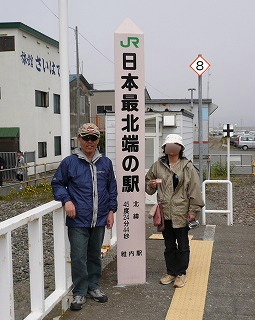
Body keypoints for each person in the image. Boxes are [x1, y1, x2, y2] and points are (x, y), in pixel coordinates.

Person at [51, 123, 118, 311]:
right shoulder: (69, 162)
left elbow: (111, 188)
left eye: (94, 138)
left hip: (100, 218)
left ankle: (94, 287)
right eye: (86, 138)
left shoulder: (105, 163)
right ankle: (80, 291)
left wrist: (112, 210)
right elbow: (57, 184)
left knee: (95, 255)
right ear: (79, 139)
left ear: (98, 141)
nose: (90, 141)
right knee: (79, 256)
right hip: (78, 219)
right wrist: (67, 200)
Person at [145, 134, 204, 288]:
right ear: (165, 148)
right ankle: (171, 272)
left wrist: (193, 210)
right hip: (164, 213)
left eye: (174, 145)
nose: (171, 149)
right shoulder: (158, 165)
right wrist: (151, 185)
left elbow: (195, 189)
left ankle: (181, 274)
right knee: (169, 245)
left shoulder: (187, 166)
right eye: (168, 146)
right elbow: (148, 185)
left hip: (182, 212)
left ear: (180, 148)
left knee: (183, 244)